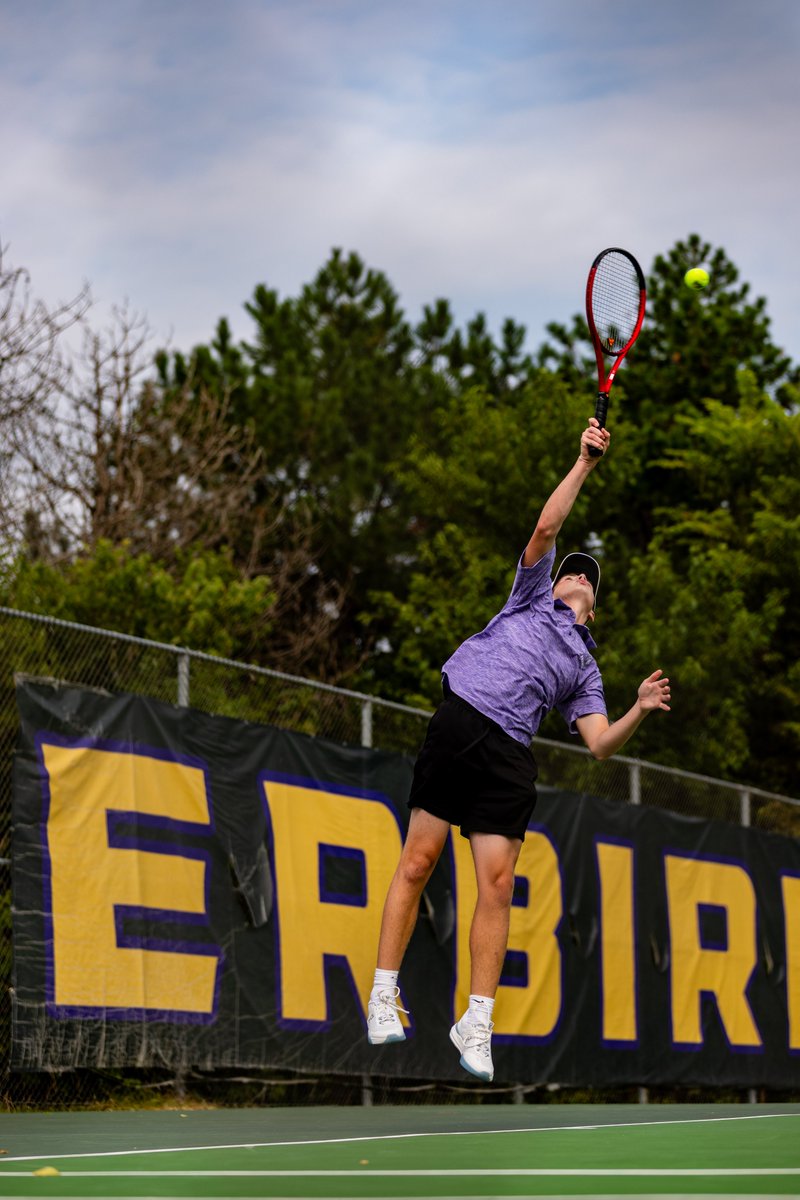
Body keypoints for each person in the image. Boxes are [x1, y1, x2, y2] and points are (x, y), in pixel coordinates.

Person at [366, 417, 671, 1082]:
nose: (578, 576)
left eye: (587, 578)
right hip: (462, 718)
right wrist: (585, 463)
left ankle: (476, 1021)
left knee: (498, 886)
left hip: (508, 757)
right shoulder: (530, 596)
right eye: (571, 572)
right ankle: (382, 993)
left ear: (595, 605)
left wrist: (637, 711)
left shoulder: (585, 670)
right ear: (554, 582)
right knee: (418, 860)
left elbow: (598, 747)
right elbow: (545, 529)